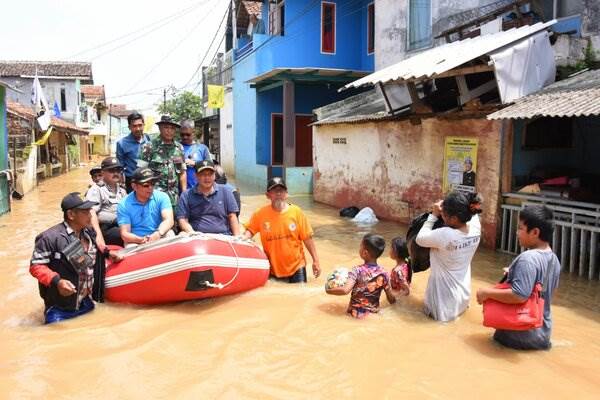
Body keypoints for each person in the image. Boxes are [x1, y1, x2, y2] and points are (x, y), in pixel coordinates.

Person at [29, 192, 121, 324]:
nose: (90, 215)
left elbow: (96, 248)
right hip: (60, 309)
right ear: (71, 215)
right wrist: (57, 281)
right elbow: (36, 266)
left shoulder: (88, 233)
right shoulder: (50, 238)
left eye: (90, 211)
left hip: (86, 302)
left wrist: (107, 253)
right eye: (85, 212)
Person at [476, 205, 560, 350]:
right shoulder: (553, 259)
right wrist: (514, 273)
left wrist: (485, 293)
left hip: (517, 337)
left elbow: (519, 295)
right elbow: (543, 291)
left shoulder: (528, 258)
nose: (517, 232)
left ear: (535, 232)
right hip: (541, 335)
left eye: (520, 228)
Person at [416, 191, 482, 322]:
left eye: (444, 215)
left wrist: (434, 215)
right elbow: (473, 213)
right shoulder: (476, 228)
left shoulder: (445, 234)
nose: (442, 216)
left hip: (442, 304)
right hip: (462, 298)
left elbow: (419, 239)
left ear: (454, 219)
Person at [243, 177, 321, 283]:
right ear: (267, 195)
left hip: (297, 267)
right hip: (273, 269)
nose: (278, 193)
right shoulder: (260, 214)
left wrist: (316, 260)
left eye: (281, 190)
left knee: (300, 296)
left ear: (286, 194)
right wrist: (242, 239)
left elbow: (307, 238)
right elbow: (250, 231)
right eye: (275, 191)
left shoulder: (296, 212)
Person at [326, 233, 396, 318]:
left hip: (354, 315)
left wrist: (329, 290)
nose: (359, 249)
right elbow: (391, 299)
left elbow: (345, 290)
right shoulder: (384, 273)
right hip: (373, 315)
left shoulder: (357, 270)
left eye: (360, 246)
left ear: (365, 253)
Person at [177, 160, 240, 235]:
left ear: (214, 176)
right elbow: (182, 220)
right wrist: (192, 233)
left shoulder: (226, 191)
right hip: (196, 237)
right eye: (203, 174)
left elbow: (232, 216)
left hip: (223, 236)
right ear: (196, 176)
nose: (207, 178)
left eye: (210, 174)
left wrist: (237, 237)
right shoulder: (186, 195)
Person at [117, 167, 174, 246]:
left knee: (170, 234)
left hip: (158, 234)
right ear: (134, 186)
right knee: (130, 246)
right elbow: (125, 234)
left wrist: (158, 234)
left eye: (152, 184)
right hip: (136, 240)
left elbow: (169, 220)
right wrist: (140, 240)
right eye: (146, 185)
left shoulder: (162, 197)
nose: (150, 188)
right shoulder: (123, 204)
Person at [139, 115, 186, 208]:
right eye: (166, 127)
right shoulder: (148, 147)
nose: (169, 131)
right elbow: (140, 172)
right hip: (154, 196)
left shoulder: (179, 148)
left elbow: (182, 172)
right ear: (160, 128)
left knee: (173, 221)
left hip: (174, 198)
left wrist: (184, 193)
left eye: (172, 128)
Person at [85, 156, 127, 247]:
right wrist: (98, 235)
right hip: (106, 228)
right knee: (126, 235)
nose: (116, 173)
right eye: (112, 170)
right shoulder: (97, 189)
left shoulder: (122, 190)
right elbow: (90, 213)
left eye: (118, 170)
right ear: (103, 173)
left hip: (123, 224)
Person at [116, 112, 150, 193]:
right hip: (132, 181)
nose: (138, 128)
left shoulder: (149, 140)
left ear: (143, 125)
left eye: (140, 125)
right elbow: (120, 167)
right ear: (129, 127)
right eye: (134, 126)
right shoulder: (122, 143)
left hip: (148, 179)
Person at [180, 119, 211, 189]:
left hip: (199, 190)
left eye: (188, 134)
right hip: (180, 191)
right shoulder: (176, 148)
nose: (185, 137)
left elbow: (211, 166)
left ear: (193, 132)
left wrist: (195, 163)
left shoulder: (202, 148)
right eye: (182, 134)